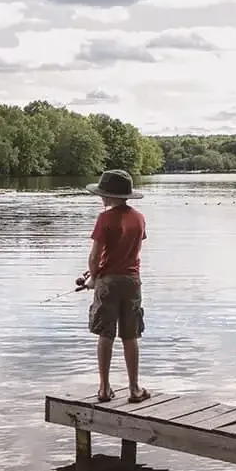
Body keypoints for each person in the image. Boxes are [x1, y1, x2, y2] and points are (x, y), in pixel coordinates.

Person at [82, 169, 148, 404]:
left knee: (105, 334)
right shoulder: (139, 218)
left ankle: (104, 388)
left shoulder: (104, 218)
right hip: (132, 281)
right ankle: (134, 389)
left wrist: (93, 277)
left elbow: (95, 256)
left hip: (108, 283)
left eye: (103, 194)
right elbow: (130, 250)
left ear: (108, 196)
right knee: (130, 336)